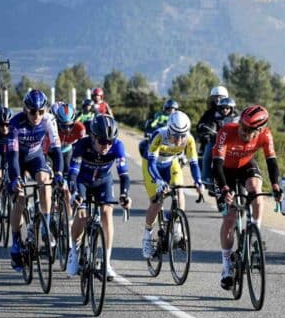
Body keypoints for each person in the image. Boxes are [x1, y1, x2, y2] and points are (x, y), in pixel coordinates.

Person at [212, 105, 283, 289]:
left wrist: (276, 185)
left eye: (247, 129)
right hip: (224, 171)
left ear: (259, 130)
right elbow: (217, 165)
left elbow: (271, 161)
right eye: (242, 126)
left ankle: (255, 233)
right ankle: (227, 265)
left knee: (256, 191)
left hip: (245, 166)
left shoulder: (265, 135)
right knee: (230, 217)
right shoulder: (227, 131)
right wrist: (225, 189)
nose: (242, 131)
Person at [66, 115, 131, 281]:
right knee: (81, 215)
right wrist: (75, 193)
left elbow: (124, 175)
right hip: (83, 181)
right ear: (93, 136)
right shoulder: (82, 145)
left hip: (103, 181)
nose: (106, 146)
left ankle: (107, 262)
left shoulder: (117, 147)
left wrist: (124, 194)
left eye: (110, 141)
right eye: (102, 141)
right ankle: (74, 252)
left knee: (107, 213)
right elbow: (72, 173)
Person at [6, 89, 64, 271]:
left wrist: (60, 173)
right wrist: (16, 179)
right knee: (21, 198)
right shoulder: (15, 124)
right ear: (25, 109)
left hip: (35, 157)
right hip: (17, 160)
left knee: (45, 181)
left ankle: (45, 226)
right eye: (33, 112)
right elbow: (13, 156)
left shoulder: (49, 120)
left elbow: (56, 150)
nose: (37, 116)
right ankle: (15, 241)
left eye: (41, 111)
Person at [141, 111, 204, 258]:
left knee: (179, 193)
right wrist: (159, 181)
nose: (179, 139)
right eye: (175, 135)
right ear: (169, 130)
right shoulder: (159, 135)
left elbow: (194, 164)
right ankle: (147, 236)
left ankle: (178, 229)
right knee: (157, 203)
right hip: (153, 166)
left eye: (182, 136)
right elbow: (151, 164)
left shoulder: (189, 140)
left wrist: (198, 181)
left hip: (171, 164)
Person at [196, 86, 229, 186]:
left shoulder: (232, 111)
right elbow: (201, 124)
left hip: (231, 140)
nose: (218, 100)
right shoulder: (210, 112)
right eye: (215, 97)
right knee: (207, 152)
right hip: (215, 140)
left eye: (220, 97)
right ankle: (206, 177)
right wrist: (204, 129)